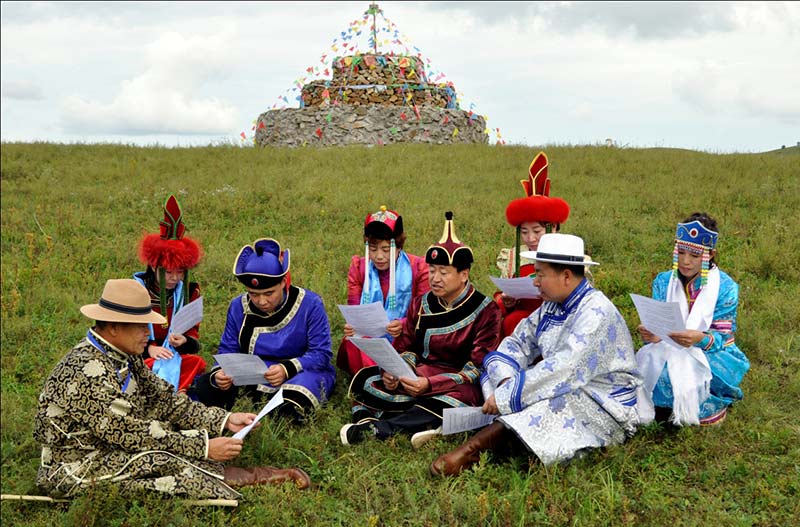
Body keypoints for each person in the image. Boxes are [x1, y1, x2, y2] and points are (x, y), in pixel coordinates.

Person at [33, 279, 311, 499]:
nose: (150, 334)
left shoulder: (121, 354)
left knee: (171, 441)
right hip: (77, 464)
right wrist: (203, 446)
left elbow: (165, 400)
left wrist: (224, 419)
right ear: (115, 327)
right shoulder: (87, 370)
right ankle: (264, 476)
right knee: (168, 461)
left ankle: (259, 474)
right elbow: (129, 433)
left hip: (111, 443)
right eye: (142, 326)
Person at [430, 233, 647, 476]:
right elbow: (517, 343)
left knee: (552, 400)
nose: (535, 282)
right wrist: (505, 382)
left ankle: (474, 448)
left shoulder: (596, 312)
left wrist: (508, 394)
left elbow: (565, 368)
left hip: (602, 398)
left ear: (566, 276)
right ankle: (503, 433)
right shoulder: (553, 304)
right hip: (566, 382)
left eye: (540, 274)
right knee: (506, 375)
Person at [340, 212, 502, 448]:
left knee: (461, 399)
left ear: (464, 275)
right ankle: (427, 423)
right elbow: (407, 347)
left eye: (444, 272)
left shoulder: (486, 310)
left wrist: (431, 384)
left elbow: (477, 367)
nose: (435, 278)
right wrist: (398, 371)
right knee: (367, 379)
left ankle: (383, 426)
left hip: (456, 382)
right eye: (433, 270)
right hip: (418, 376)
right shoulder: (422, 303)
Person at [193, 238, 336, 423]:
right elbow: (228, 349)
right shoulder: (238, 305)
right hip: (254, 373)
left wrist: (286, 369)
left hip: (301, 372)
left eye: (269, 293)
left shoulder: (311, 304)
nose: (261, 301)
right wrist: (221, 373)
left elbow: (321, 354)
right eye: (253, 294)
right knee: (207, 387)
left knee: (295, 401)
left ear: (283, 282)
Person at [635, 212, 749, 426]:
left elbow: (723, 337)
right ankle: (671, 409)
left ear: (710, 254)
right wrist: (652, 333)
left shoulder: (726, 287)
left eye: (695, 256)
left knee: (692, 376)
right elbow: (660, 324)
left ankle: (676, 409)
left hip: (710, 351)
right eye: (681, 252)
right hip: (668, 347)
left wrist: (699, 339)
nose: (686, 262)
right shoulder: (663, 281)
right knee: (647, 369)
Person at [336, 206, 429, 379]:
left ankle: (385, 379)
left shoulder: (418, 268)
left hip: (404, 335)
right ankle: (375, 381)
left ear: (399, 247)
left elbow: (423, 311)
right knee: (355, 341)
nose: (379, 256)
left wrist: (402, 323)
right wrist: (352, 325)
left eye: (386, 250)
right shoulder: (359, 267)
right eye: (373, 249)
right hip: (369, 336)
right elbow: (355, 309)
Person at [133, 194, 206, 394]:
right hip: (145, 354)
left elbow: (193, 331)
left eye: (180, 272)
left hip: (174, 355)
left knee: (195, 362)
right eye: (167, 272)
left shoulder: (189, 292)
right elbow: (127, 331)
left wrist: (185, 341)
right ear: (153, 267)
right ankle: (174, 394)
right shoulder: (137, 290)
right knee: (139, 369)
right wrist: (149, 348)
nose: (174, 278)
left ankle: (173, 393)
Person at [494, 152, 570, 339]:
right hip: (522, 319)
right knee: (512, 322)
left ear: (553, 227)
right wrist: (506, 301)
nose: (530, 238)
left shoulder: (569, 253)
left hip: (560, 317)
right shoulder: (513, 257)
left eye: (537, 231)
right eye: (525, 232)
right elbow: (499, 298)